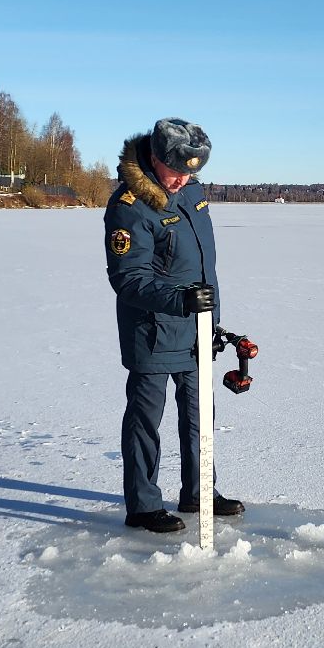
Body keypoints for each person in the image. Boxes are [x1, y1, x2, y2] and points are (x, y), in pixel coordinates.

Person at [103, 118, 246, 533]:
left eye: (192, 170)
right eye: (176, 169)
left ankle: (200, 491)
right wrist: (179, 299)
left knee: (200, 416)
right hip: (152, 330)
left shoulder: (193, 194)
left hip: (197, 330)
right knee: (146, 420)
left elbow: (201, 265)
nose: (183, 178)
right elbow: (127, 278)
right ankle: (143, 505)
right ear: (155, 157)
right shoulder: (130, 206)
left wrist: (212, 321)